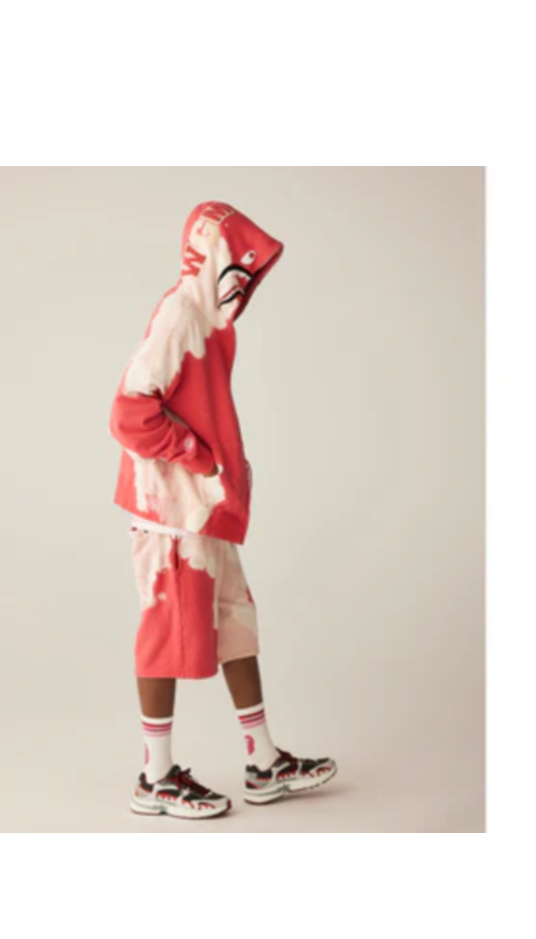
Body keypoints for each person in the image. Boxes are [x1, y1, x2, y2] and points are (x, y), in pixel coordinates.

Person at [109, 201, 337, 819]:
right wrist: (200, 457)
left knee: (235, 624)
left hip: (202, 509)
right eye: (239, 264)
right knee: (165, 632)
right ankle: (155, 777)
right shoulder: (181, 315)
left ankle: (264, 761)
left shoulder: (207, 320)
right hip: (171, 513)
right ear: (213, 256)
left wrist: (219, 473)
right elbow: (129, 413)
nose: (246, 281)